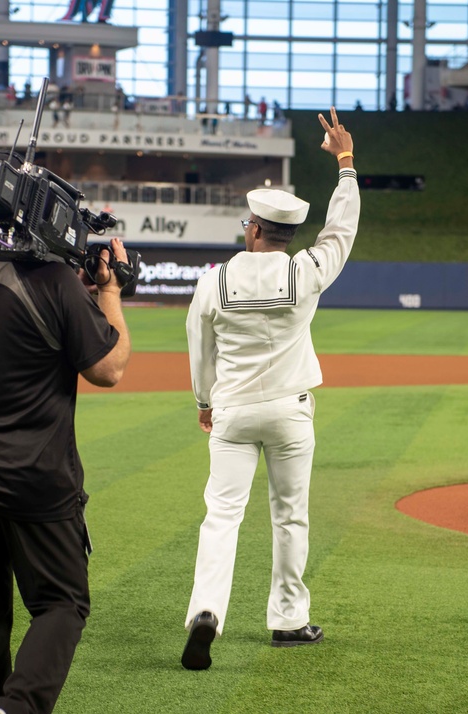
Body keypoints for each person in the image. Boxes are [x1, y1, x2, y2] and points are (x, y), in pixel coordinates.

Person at [0, 150, 133, 714]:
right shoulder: (57, 285)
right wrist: (107, 290)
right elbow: (108, 368)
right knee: (62, 603)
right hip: (36, 482)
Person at [180, 108, 359, 670]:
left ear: (254, 229)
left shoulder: (214, 280)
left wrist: (205, 403)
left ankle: (207, 611)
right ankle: (288, 620)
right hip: (290, 411)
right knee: (290, 516)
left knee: (221, 517)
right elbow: (341, 230)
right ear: (286, 233)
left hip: (231, 411)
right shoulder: (306, 272)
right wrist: (346, 164)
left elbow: (198, 349)